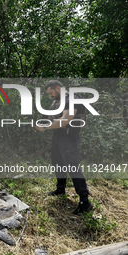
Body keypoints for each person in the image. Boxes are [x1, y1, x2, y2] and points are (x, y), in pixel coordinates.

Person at [35, 80, 93, 215]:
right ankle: (60, 189)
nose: (50, 96)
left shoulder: (73, 98)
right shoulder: (57, 100)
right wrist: (39, 123)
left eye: (51, 93)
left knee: (72, 167)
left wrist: (45, 127)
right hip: (58, 136)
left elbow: (66, 119)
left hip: (69, 137)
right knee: (58, 163)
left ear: (58, 88)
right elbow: (48, 116)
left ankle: (85, 201)